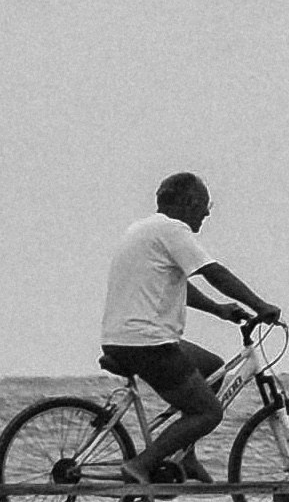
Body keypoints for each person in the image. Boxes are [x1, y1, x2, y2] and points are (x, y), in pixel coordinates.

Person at [100, 173, 278, 484]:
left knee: (212, 368)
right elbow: (215, 273)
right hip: (148, 343)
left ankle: (185, 454)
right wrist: (260, 305)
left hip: (122, 339)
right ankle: (142, 464)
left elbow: (177, 284)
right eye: (204, 205)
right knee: (208, 413)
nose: (207, 213)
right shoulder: (173, 230)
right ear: (188, 202)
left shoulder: (142, 230)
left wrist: (219, 310)